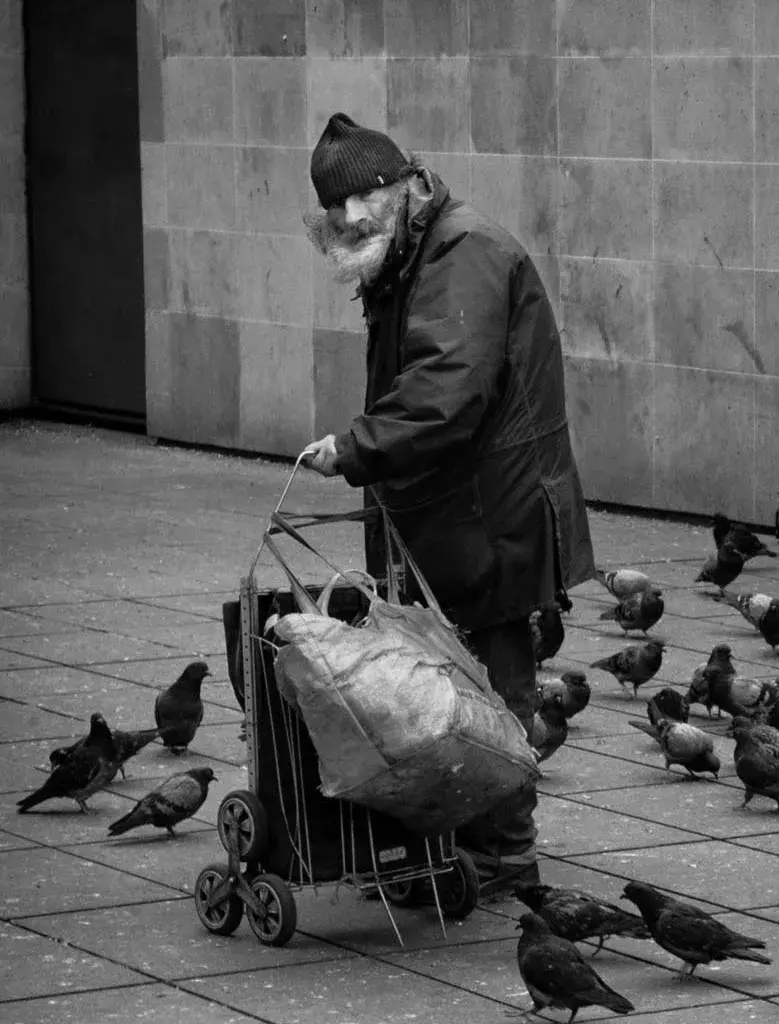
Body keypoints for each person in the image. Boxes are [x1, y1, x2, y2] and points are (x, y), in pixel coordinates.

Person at [297, 112, 595, 898]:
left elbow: (445, 391)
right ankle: (462, 850)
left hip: (490, 517)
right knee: (450, 685)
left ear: (402, 185)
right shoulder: (414, 248)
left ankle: (500, 856)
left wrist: (356, 447)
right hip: (462, 514)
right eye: (337, 206)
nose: (350, 217)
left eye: (363, 196)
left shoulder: (463, 252)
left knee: (492, 688)